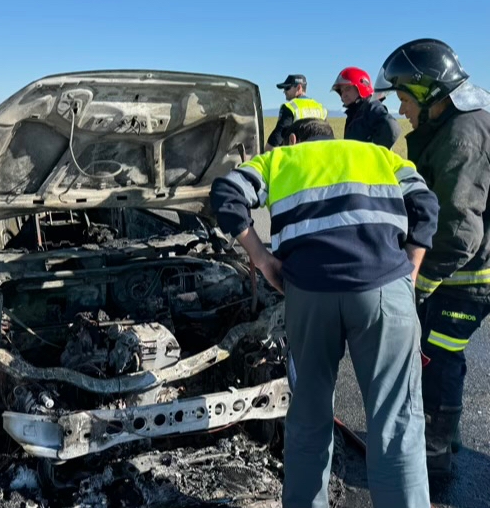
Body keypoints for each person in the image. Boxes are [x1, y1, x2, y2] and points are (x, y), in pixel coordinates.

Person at [210, 118, 438, 508]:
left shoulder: (279, 158)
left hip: (310, 293)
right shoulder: (380, 155)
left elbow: (227, 191)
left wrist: (263, 259)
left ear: (293, 139)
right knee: (396, 423)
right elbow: (426, 206)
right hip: (384, 290)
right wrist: (409, 273)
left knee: (308, 418)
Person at [374, 38, 490, 477]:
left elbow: (459, 231)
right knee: (441, 354)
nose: (401, 110)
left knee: (438, 355)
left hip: (469, 275)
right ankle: (445, 436)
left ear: (427, 93)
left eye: (405, 98)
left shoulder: (463, 135)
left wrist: (415, 283)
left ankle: (433, 456)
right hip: (464, 270)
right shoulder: (455, 125)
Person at [331, 66, 401, 148]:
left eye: (347, 89)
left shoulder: (371, 107)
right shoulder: (355, 113)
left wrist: (374, 154)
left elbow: (392, 127)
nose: (344, 95)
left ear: (361, 86)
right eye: (341, 91)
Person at [265, 74, 327, 151]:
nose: (284, 91)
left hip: (298, 155)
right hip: (318, 154)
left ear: (299, 88)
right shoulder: (320, 107)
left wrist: (265, 154)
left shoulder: (289, 107)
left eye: (287, 88)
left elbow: (277, 137)